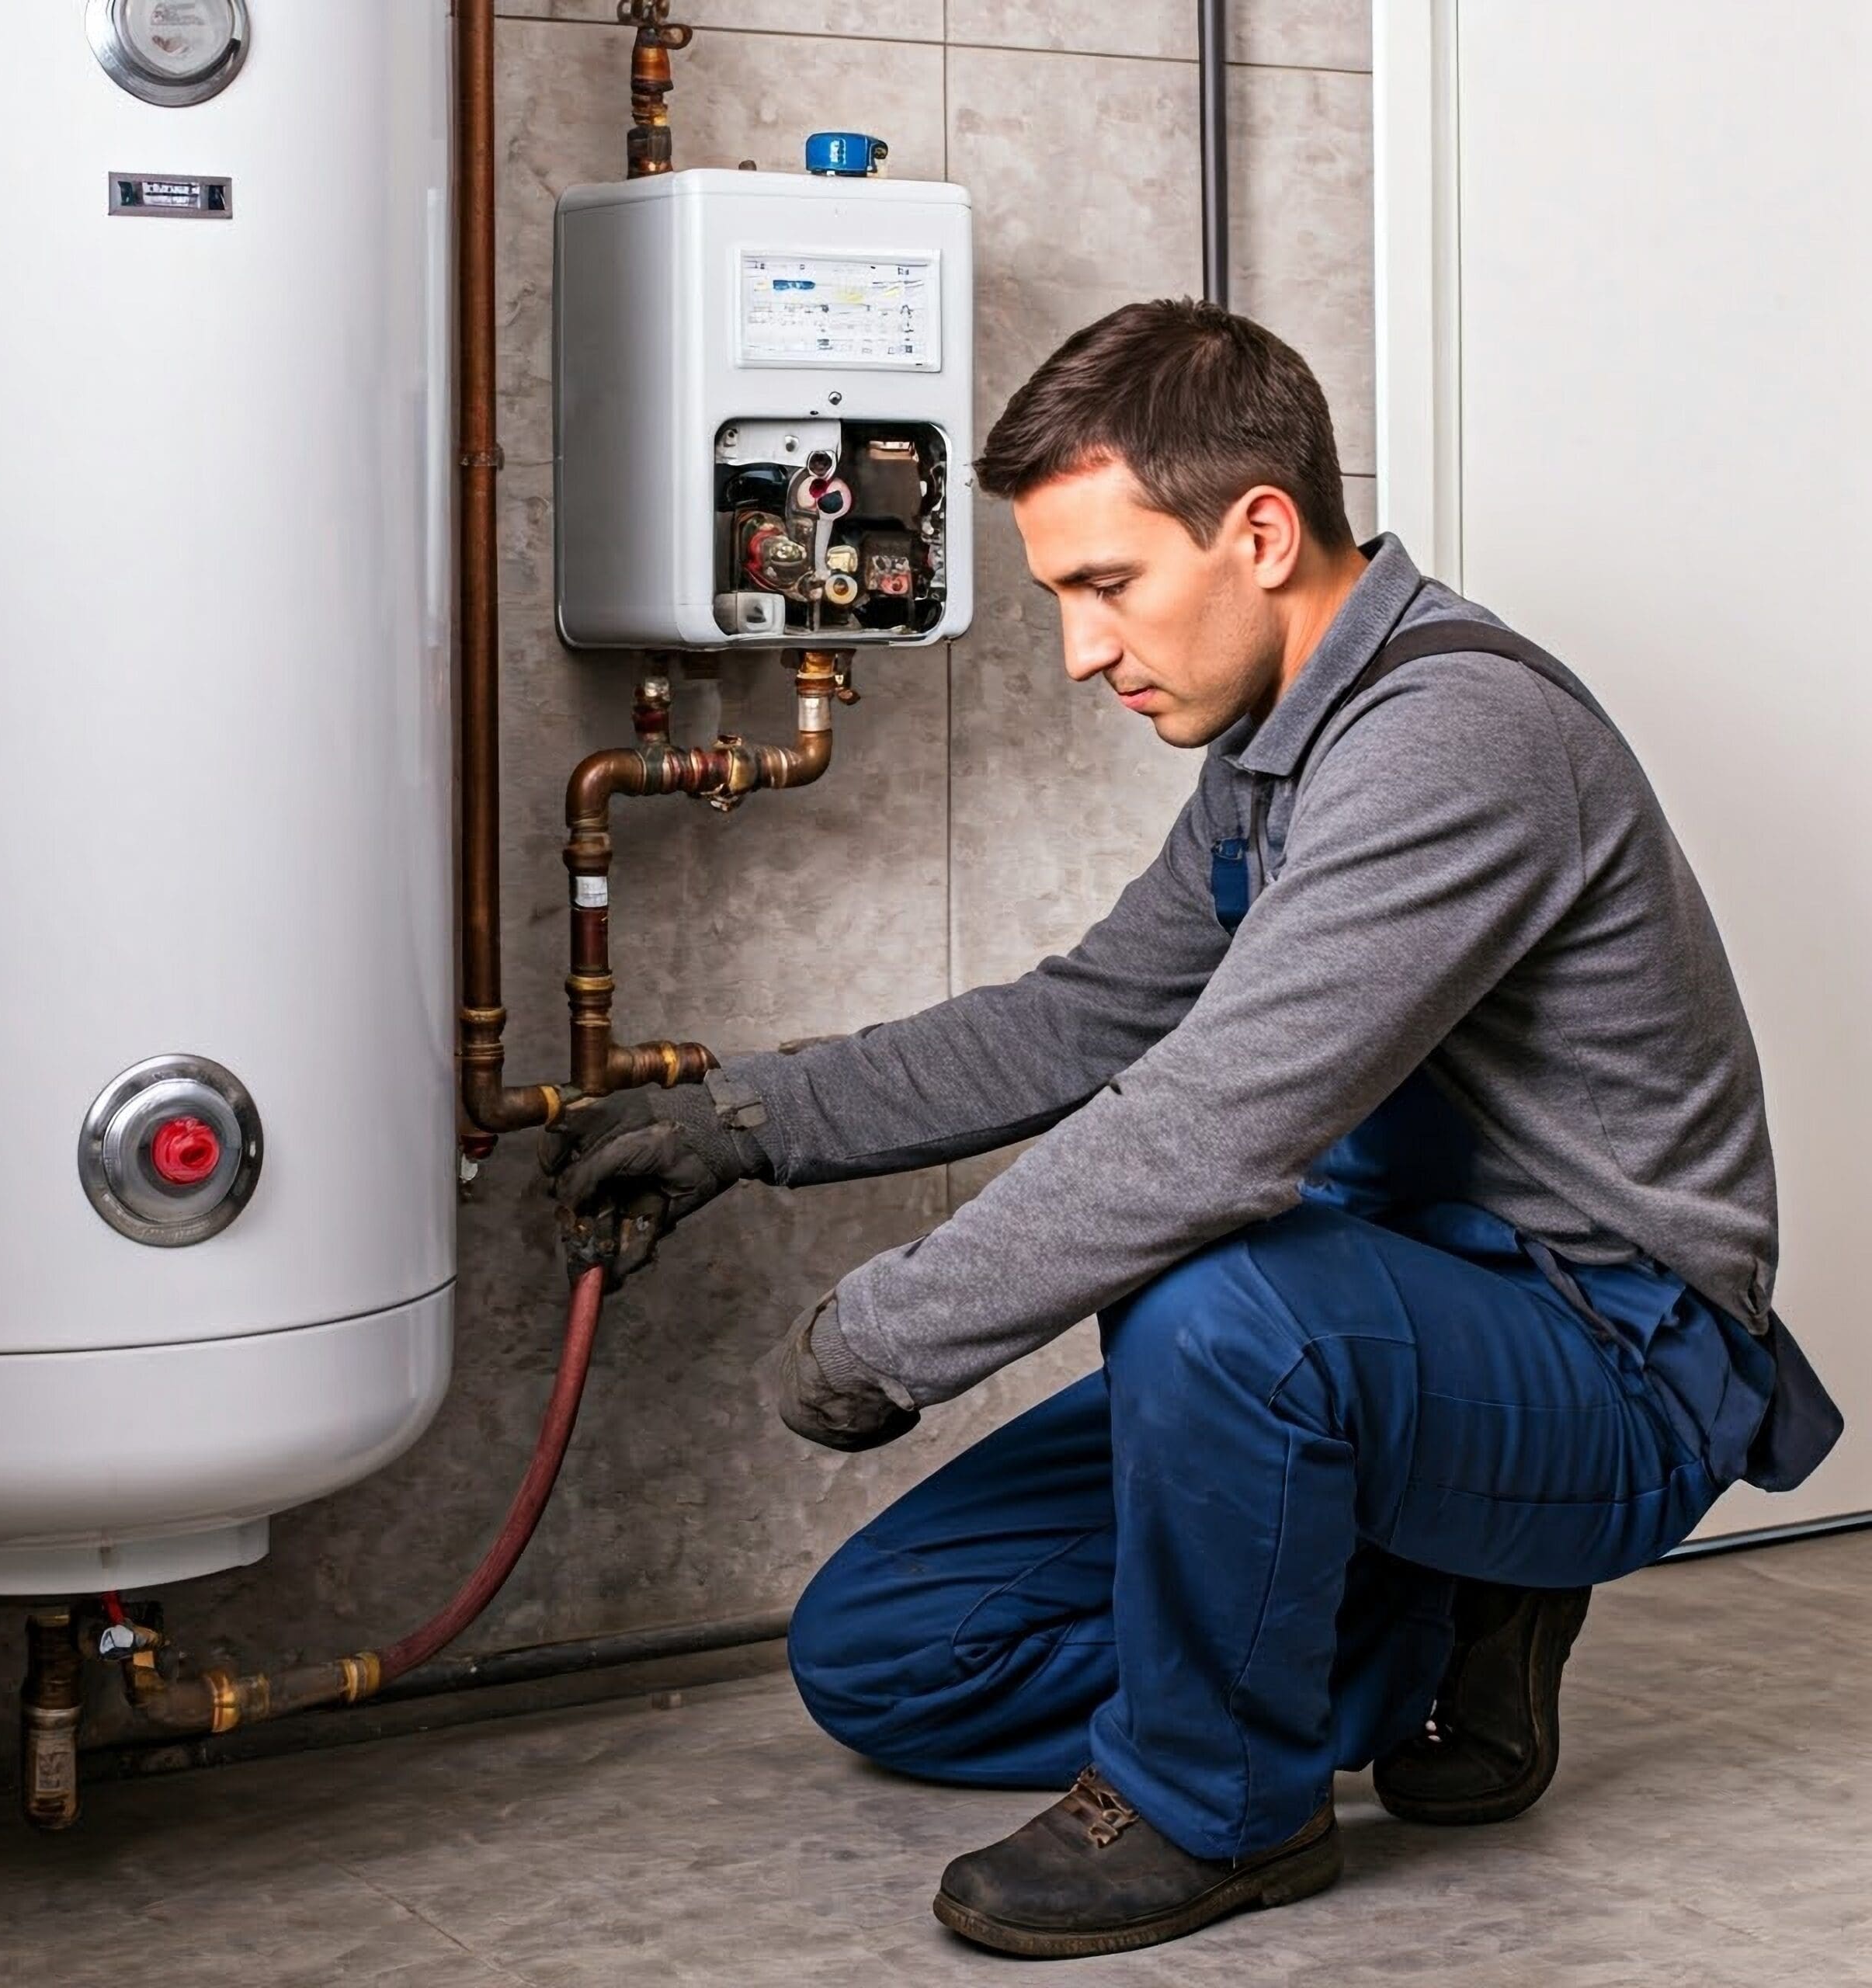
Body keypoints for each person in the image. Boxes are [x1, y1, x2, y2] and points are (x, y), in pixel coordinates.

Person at [543, 298, 1841, 1962]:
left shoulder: (1454, 738)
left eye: (1105, 585)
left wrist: (878, 1335)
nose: (1082, 648)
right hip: (1385, 1328)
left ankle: (1214, 1801)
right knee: (880, 1651)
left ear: (1257, 529)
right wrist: (749, 1114)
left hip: (1605, 1357)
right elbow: (1091, 1011)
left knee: (1209, 1285)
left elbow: (1203, 1133)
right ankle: (1430, 1621)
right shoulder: (1268, 759)